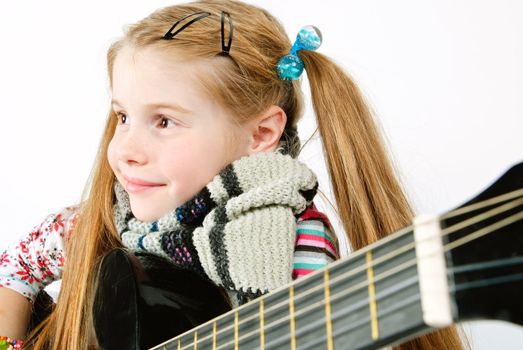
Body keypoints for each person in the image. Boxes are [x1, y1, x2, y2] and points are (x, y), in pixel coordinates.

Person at [0, 0, 465, 349]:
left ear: (261, 134)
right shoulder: (95, 223)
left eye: (164, 122)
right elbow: (13, 273)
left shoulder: (296, 249)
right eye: (123, 117)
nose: (124, 151)